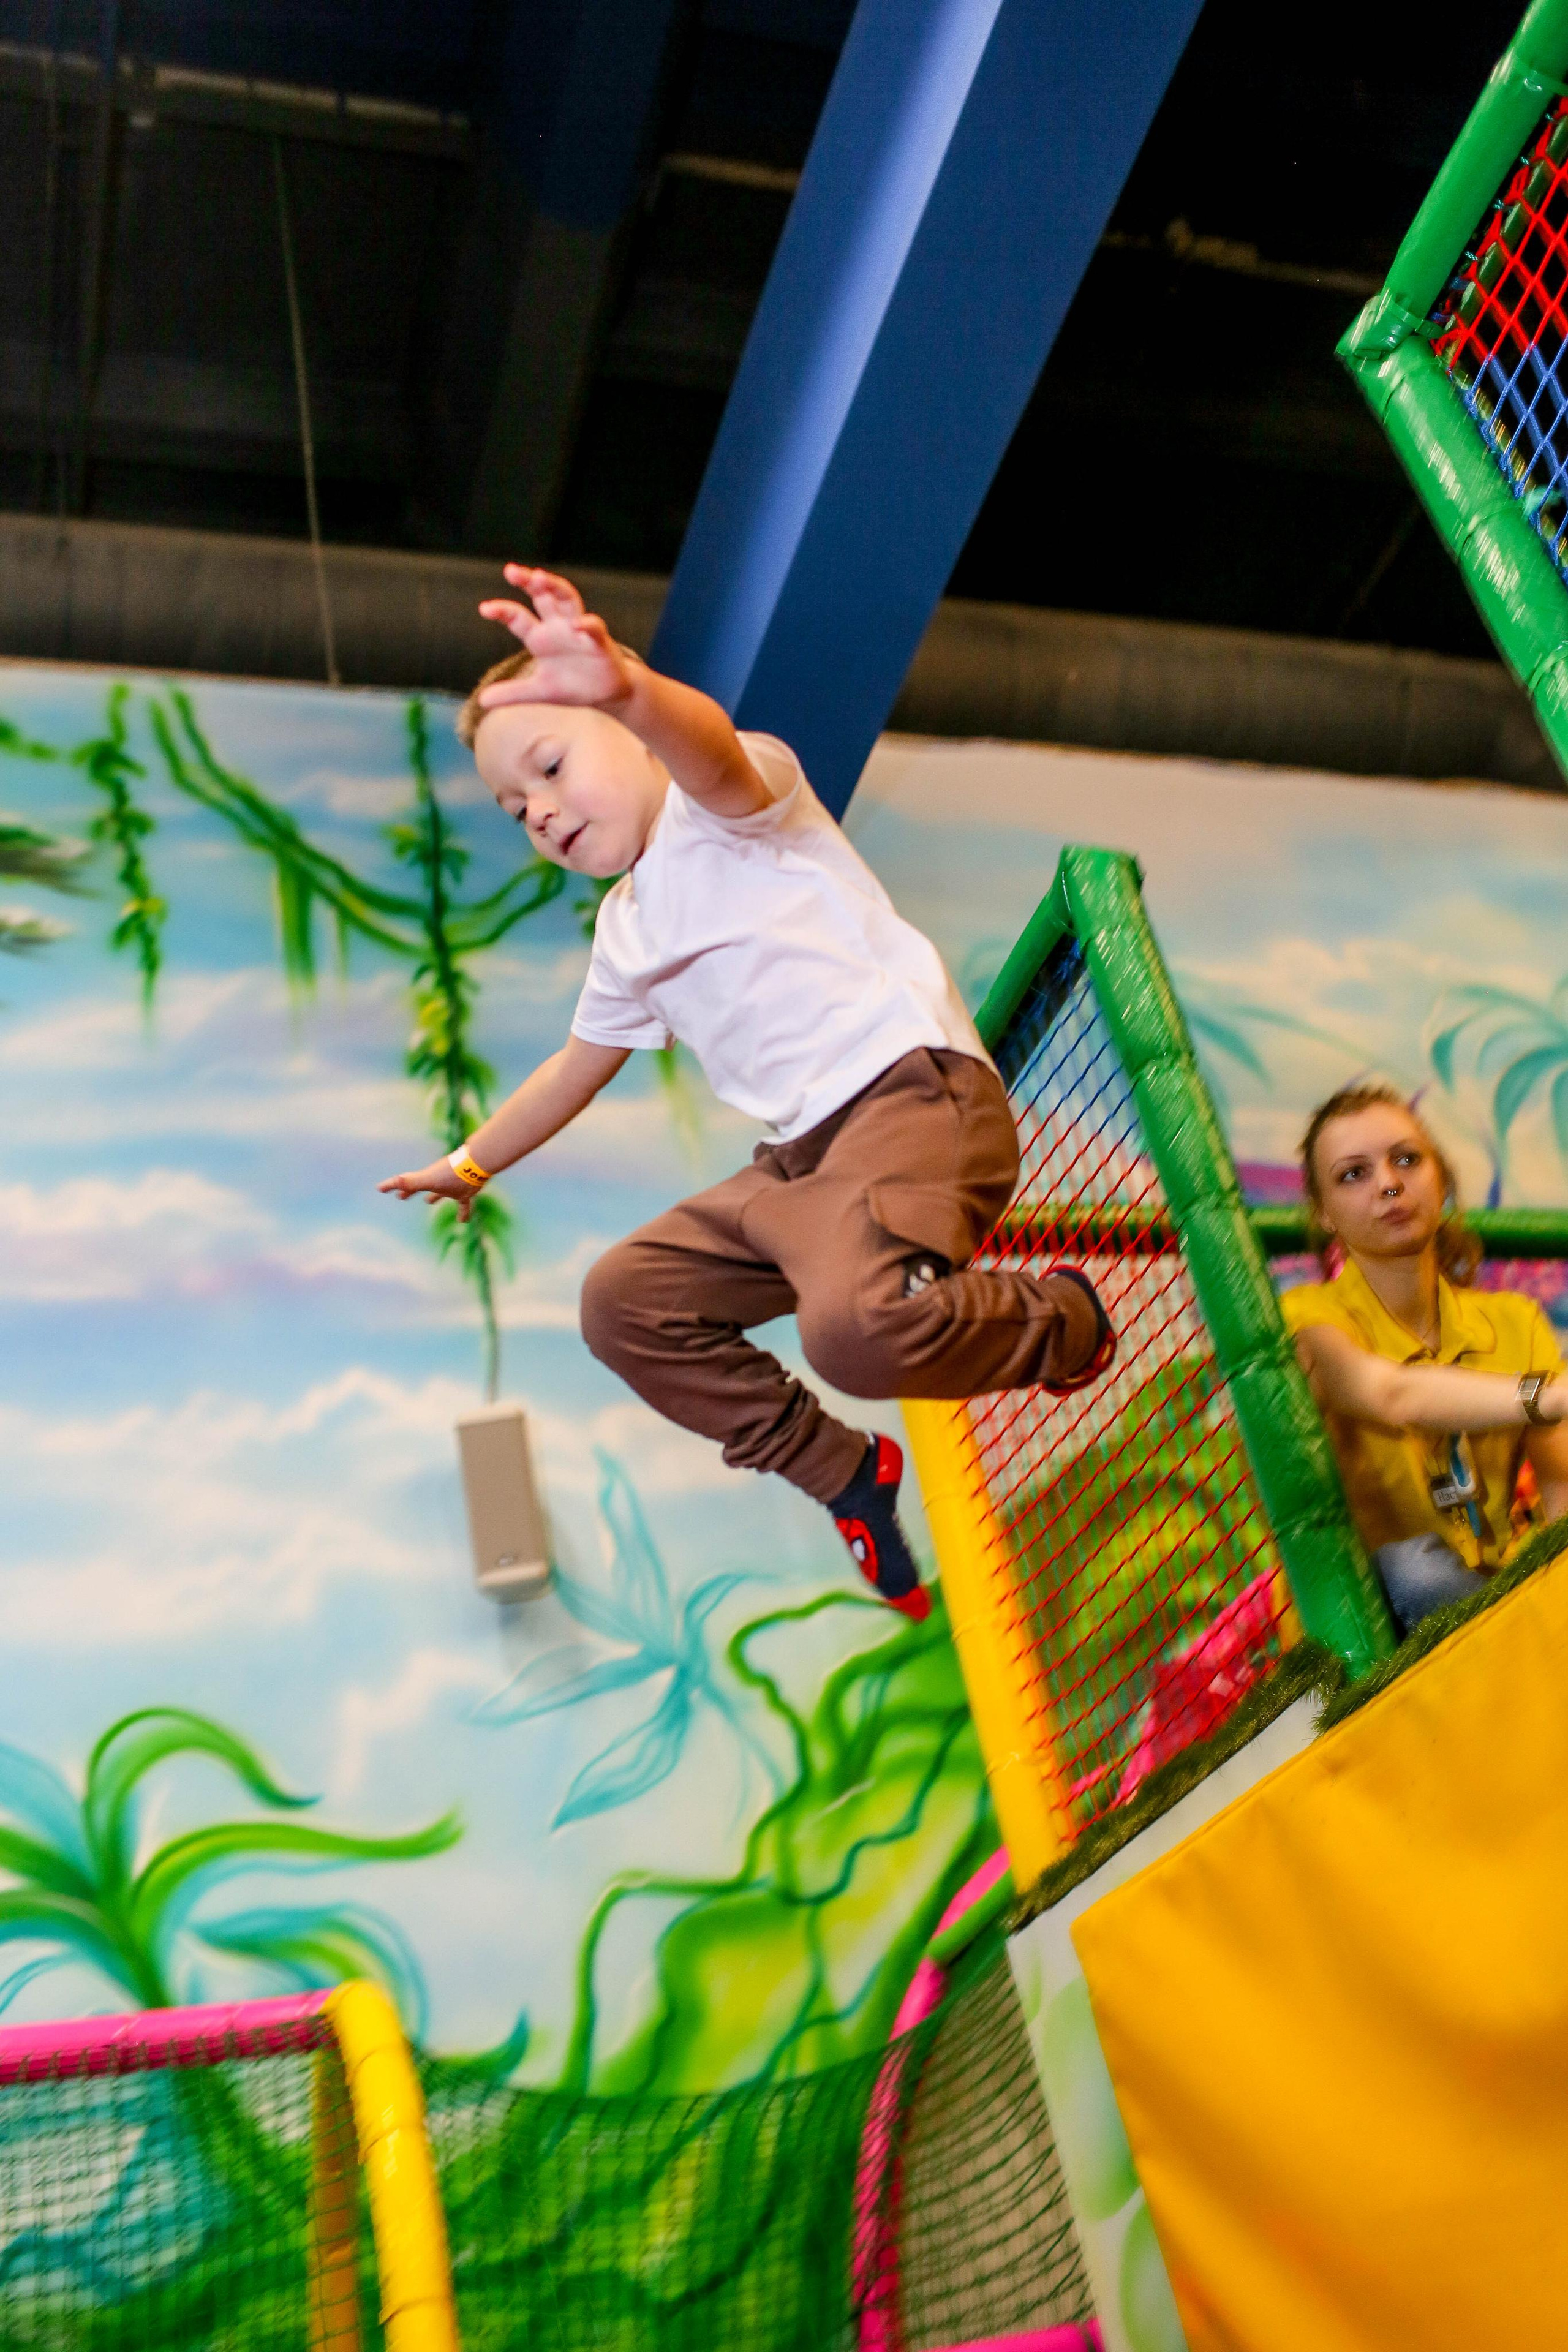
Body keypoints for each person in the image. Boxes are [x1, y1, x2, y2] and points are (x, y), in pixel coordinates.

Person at [380, 567, 1113, 1619]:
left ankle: (1064, 1322)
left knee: (852, 1335)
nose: (538, 811)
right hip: (802, 1166)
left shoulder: (735, 806)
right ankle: (844, 1472)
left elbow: (707, 744)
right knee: (622, 1302)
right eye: (516, 807)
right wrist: (468, 1164)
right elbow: (572, 1068)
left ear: (626, 720)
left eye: (550, 764)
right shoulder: (628, 932)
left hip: (911, 1100)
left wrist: (628, 690)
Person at [1283, 1081, 1568, 1634]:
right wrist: (1548, 1396)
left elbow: (1562, 1488)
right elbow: (1391, 1395)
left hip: (1488, 1600)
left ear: (1442, 1178)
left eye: (1407, 1160)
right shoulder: (1305, 1317)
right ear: (1324, 1214)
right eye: (1353, 1174)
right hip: (1367, 1630)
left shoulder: (1515, 1319)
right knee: (1417, 1571)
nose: (1389, 1183)